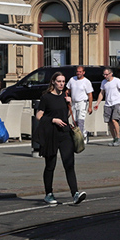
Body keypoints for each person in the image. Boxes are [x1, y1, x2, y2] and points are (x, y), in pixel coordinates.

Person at [35, 71, 85, 206]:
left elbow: (67, 115)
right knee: (50, 165)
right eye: (59, 81)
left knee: (69, 164)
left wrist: (71, 103)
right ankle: (48, 194)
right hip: (51, 134)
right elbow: (39, 116)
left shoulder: (65, 96)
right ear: (53, 82)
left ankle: (75, 193)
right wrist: (53, 120)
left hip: (65, 134)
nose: (61, 84)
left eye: (63, 81)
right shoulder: (46, 98)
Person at [94, 68, 120, 147]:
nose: (105, 76)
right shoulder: (104, 82)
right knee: (109, 122)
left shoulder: (117, 81)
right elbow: (101, 93)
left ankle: (118, 137)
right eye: (104, 75)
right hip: (108, 104)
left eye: (106, 74)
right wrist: (97, 103)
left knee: (114, 120)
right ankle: (114, 138)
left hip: (116, 102)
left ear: (111, 74)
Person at [67, 66, 93, 139]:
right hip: (73, 102)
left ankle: (80, 138)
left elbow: (90, 95)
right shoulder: (72, 79)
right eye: (77, 71)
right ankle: (84, 132)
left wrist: (90, 107)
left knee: (80, 120)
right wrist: (66, 93)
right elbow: (68, 89)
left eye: (80, 72)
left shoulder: (86, 82)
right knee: (74, 121)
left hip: (82, 102)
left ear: (83, 72)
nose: (78, 73)